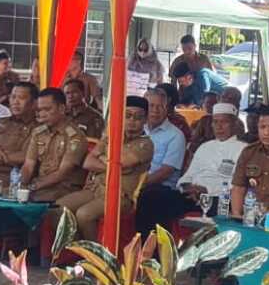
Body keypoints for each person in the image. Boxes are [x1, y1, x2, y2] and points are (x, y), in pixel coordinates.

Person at [56, 96, 154, 241]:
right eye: (127, 116)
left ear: (145, 120)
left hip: (121, 196)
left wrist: (102, 158)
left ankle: (96, 257)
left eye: (138, 117)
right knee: (58, 208)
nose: (132, 121)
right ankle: (76, 249)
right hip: (97, 188)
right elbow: (88, 163)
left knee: (84, 215)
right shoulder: (111, 138)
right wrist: (111, 164)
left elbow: (122, 163)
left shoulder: (145, 144)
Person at [133, 88, 188, 233]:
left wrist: (137, 185)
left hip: (161, 187)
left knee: (148, 199)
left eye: (160, 106)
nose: (155, 110)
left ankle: (145, 250)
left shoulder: (176, 135)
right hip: (132, 183)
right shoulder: (135, 129)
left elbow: (165, 172)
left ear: (167, 109)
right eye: (151, 106)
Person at [20, 88, 88, 202]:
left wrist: (33, 187)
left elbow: (63, 173)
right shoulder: (38, 133)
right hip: (40, 186)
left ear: (61, 109)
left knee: (32, 201)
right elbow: (28, 165)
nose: (42, 114)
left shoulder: (74, 136)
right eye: (39, 110)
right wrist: (21, 185)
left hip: (64, 188)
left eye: (47, 109)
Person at [178, 103, 248, 206]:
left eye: (224, 122)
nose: (219, 127)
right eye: (215, 122)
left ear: (234, 124)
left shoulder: (243, 149)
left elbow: (237, 184)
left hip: (219, 198)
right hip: (191, 194)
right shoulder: (204, 147)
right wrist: (187, 187)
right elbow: (188, 176)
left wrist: (206, 189)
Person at [187, 86, 245, 156]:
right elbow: (193, 145)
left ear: (237, 104)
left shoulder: (238, 125)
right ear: (218, 99)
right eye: (223, 97)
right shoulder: (205, 120)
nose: (225, 100)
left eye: (231, 99)